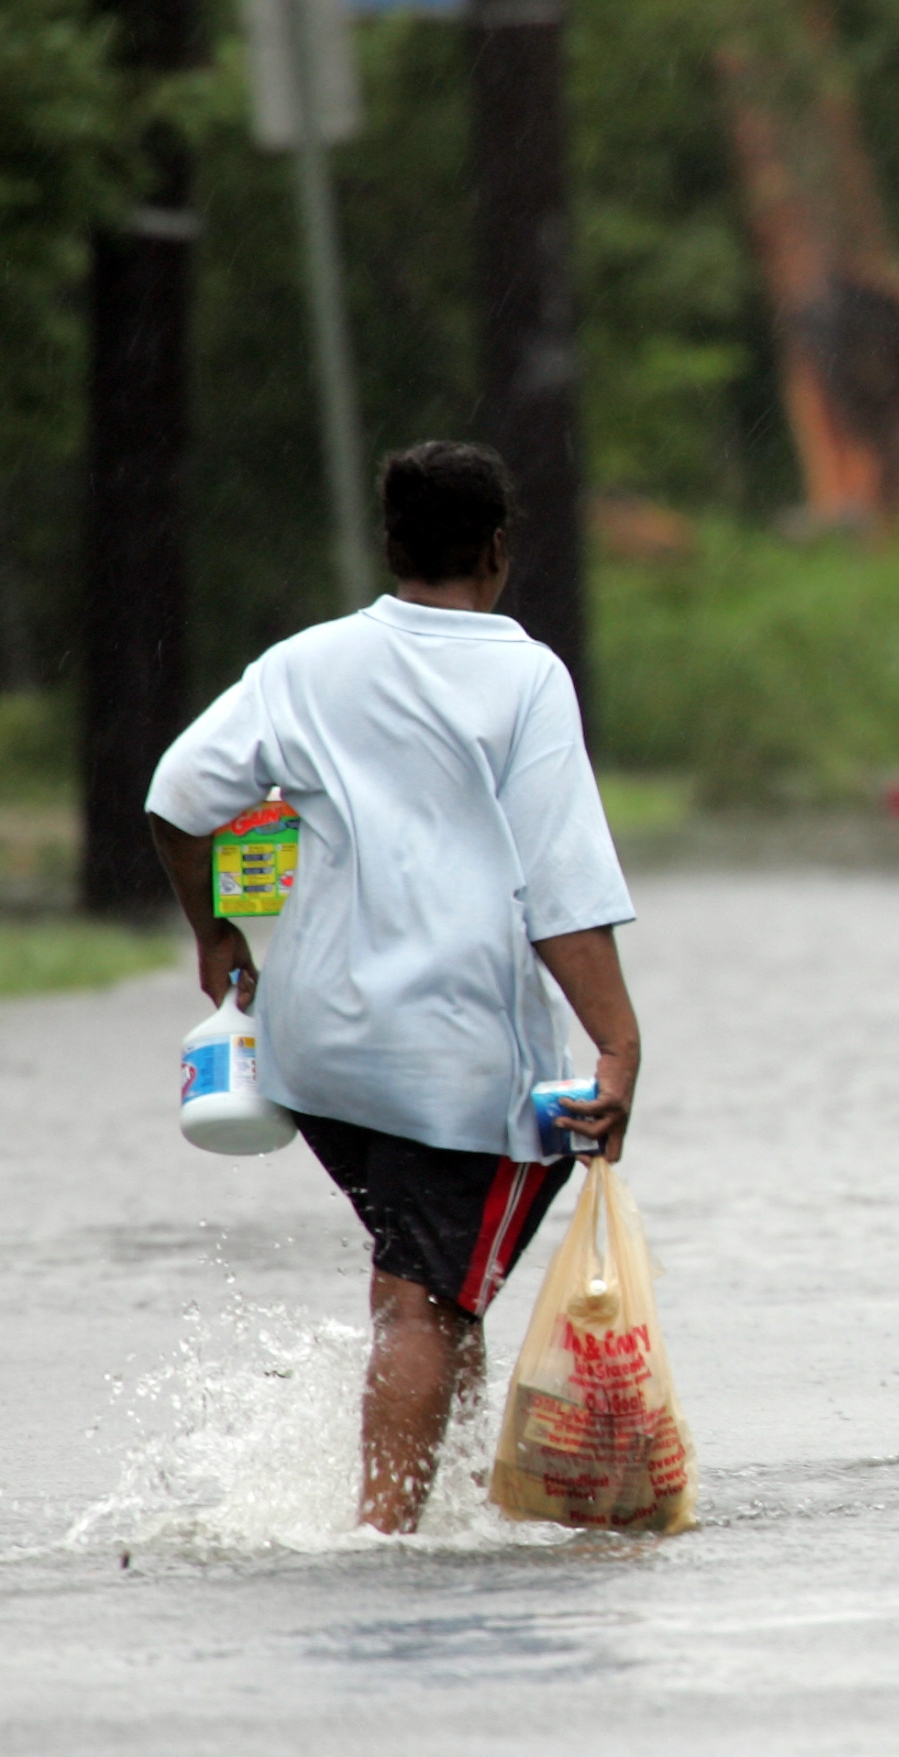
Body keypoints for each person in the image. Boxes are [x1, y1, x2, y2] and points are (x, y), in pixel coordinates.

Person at [146, 442, 640, 1532]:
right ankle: (386, 1540)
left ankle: (450, 1508)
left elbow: (177, 796)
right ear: (499, 549)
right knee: (425, 1293)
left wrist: (213, 928)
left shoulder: (306, 663)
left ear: (393, 546)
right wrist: (617, 1043)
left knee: (428, 1271)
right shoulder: (524, 677)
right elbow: (561, 883)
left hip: (316, 1049)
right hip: (451, 1055)